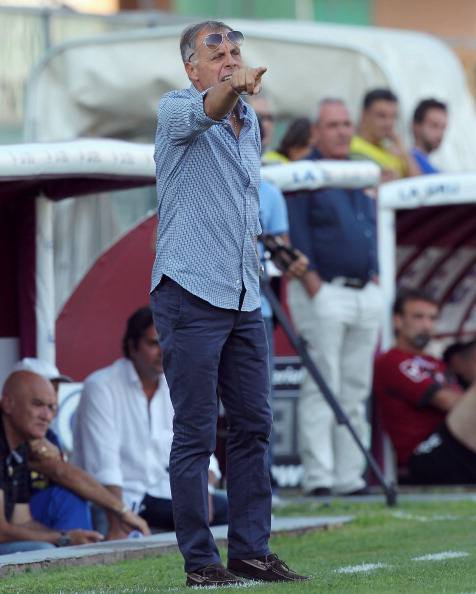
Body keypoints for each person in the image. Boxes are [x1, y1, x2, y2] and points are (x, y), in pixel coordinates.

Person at [150, 20, 308, 587]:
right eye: (215, 52)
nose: (229, 59)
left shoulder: (250, 124)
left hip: (243, 293)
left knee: (254, 426)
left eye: (235, 51)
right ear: (190, 68)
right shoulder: (175, 108)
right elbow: (208, 109)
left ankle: (250, 552)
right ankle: (200, 562)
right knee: (195, 432)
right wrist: (232, 87)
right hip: (190, 290)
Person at [286, 98, 383, 496]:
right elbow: (294, 234)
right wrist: (315, 287)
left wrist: (375, 277)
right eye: (333, 125)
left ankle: (349, 476)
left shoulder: (358, 170)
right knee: (323, 383)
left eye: (346, 124)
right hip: (323, 290)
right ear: (316, 132)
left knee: (356, 388)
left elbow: (370, 228)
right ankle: (319, 478)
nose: (342, 132)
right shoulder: (303, 172)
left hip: (363, 290)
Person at [73, 307, 227, 537]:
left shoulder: (176, 384)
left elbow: (203, 452)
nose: (163, 351)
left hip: (168, 494)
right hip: (126, 500)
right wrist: (119, 520)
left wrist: (205, 490)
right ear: (132, 346)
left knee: (240, 510)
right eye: (154, 343)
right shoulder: (101, 386)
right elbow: (105, 467)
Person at [11, 358, 149, 538]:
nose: (51, 395)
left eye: (55, 389)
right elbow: (62, 472)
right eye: (38, 400)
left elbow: (62, 472)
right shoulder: (16, 433)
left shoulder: (48, 434)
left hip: (30, 517)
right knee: (67, 497)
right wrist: (122, 510)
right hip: (17, 521)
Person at [374, 288, 476, 485]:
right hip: (426, 453)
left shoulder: (435, 362)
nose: (427, 325)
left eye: (432, 318)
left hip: (456, 447)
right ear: (398, 321)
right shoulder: (393, 360)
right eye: (418, 317)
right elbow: (447, 402)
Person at [0, 371, 104, 554]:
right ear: (8, 403)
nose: (47, 416)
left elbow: (22, 521)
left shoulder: (19, 446)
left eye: (52, 407)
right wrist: (62, 539)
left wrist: (69, 537)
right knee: (42, 549)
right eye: (37, 404)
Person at [350, 88, 419, 181]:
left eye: (393, 117)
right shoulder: (353, 147)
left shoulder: (392, 149)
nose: (389, 123)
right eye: (382, 116)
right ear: (364, 115)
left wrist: (403, 150)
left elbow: (419, 182)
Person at [411, 98, 448, 174]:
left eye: (443, 128)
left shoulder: (431, 167)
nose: (440, 133)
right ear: (416, 126)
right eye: (434, 125)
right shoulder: (405, 161)